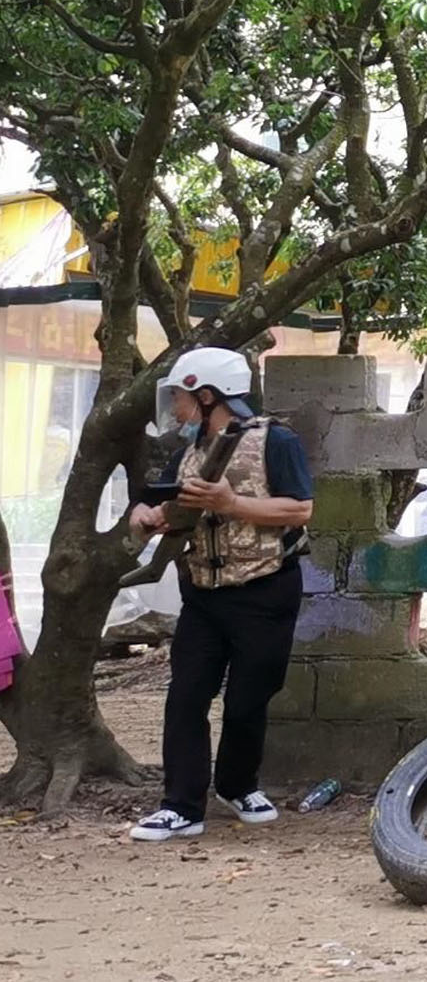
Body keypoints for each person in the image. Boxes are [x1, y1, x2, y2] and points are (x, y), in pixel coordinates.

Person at [127, 346, 315, 842]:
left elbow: (300, 510)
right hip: (204, 594)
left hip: (266, 588)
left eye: (183, 398)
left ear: (208, 396)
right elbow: (154, 498)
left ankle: (237, 785)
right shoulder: (187, 451)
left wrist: (232, 502)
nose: (177, 409)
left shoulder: (276, 440)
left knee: (248, 699)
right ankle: (181, 805)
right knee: (186, 696)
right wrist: (142, 516)